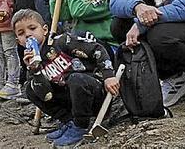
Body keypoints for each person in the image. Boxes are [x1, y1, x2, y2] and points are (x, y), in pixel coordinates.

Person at [13, 8, 118, 147]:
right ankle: (70, 122)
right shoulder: (30, 60)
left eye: (32, 28)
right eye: (21, 33)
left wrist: (109, 76)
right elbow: (44, 94)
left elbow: (97, 49)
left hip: (94, 91)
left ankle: (81, 126)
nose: (27, 34)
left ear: (44, 30)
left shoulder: (63, 41)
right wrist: (35, 70)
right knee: (30, 89)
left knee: (75, 79)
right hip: (71, 99)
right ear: (18, 41)